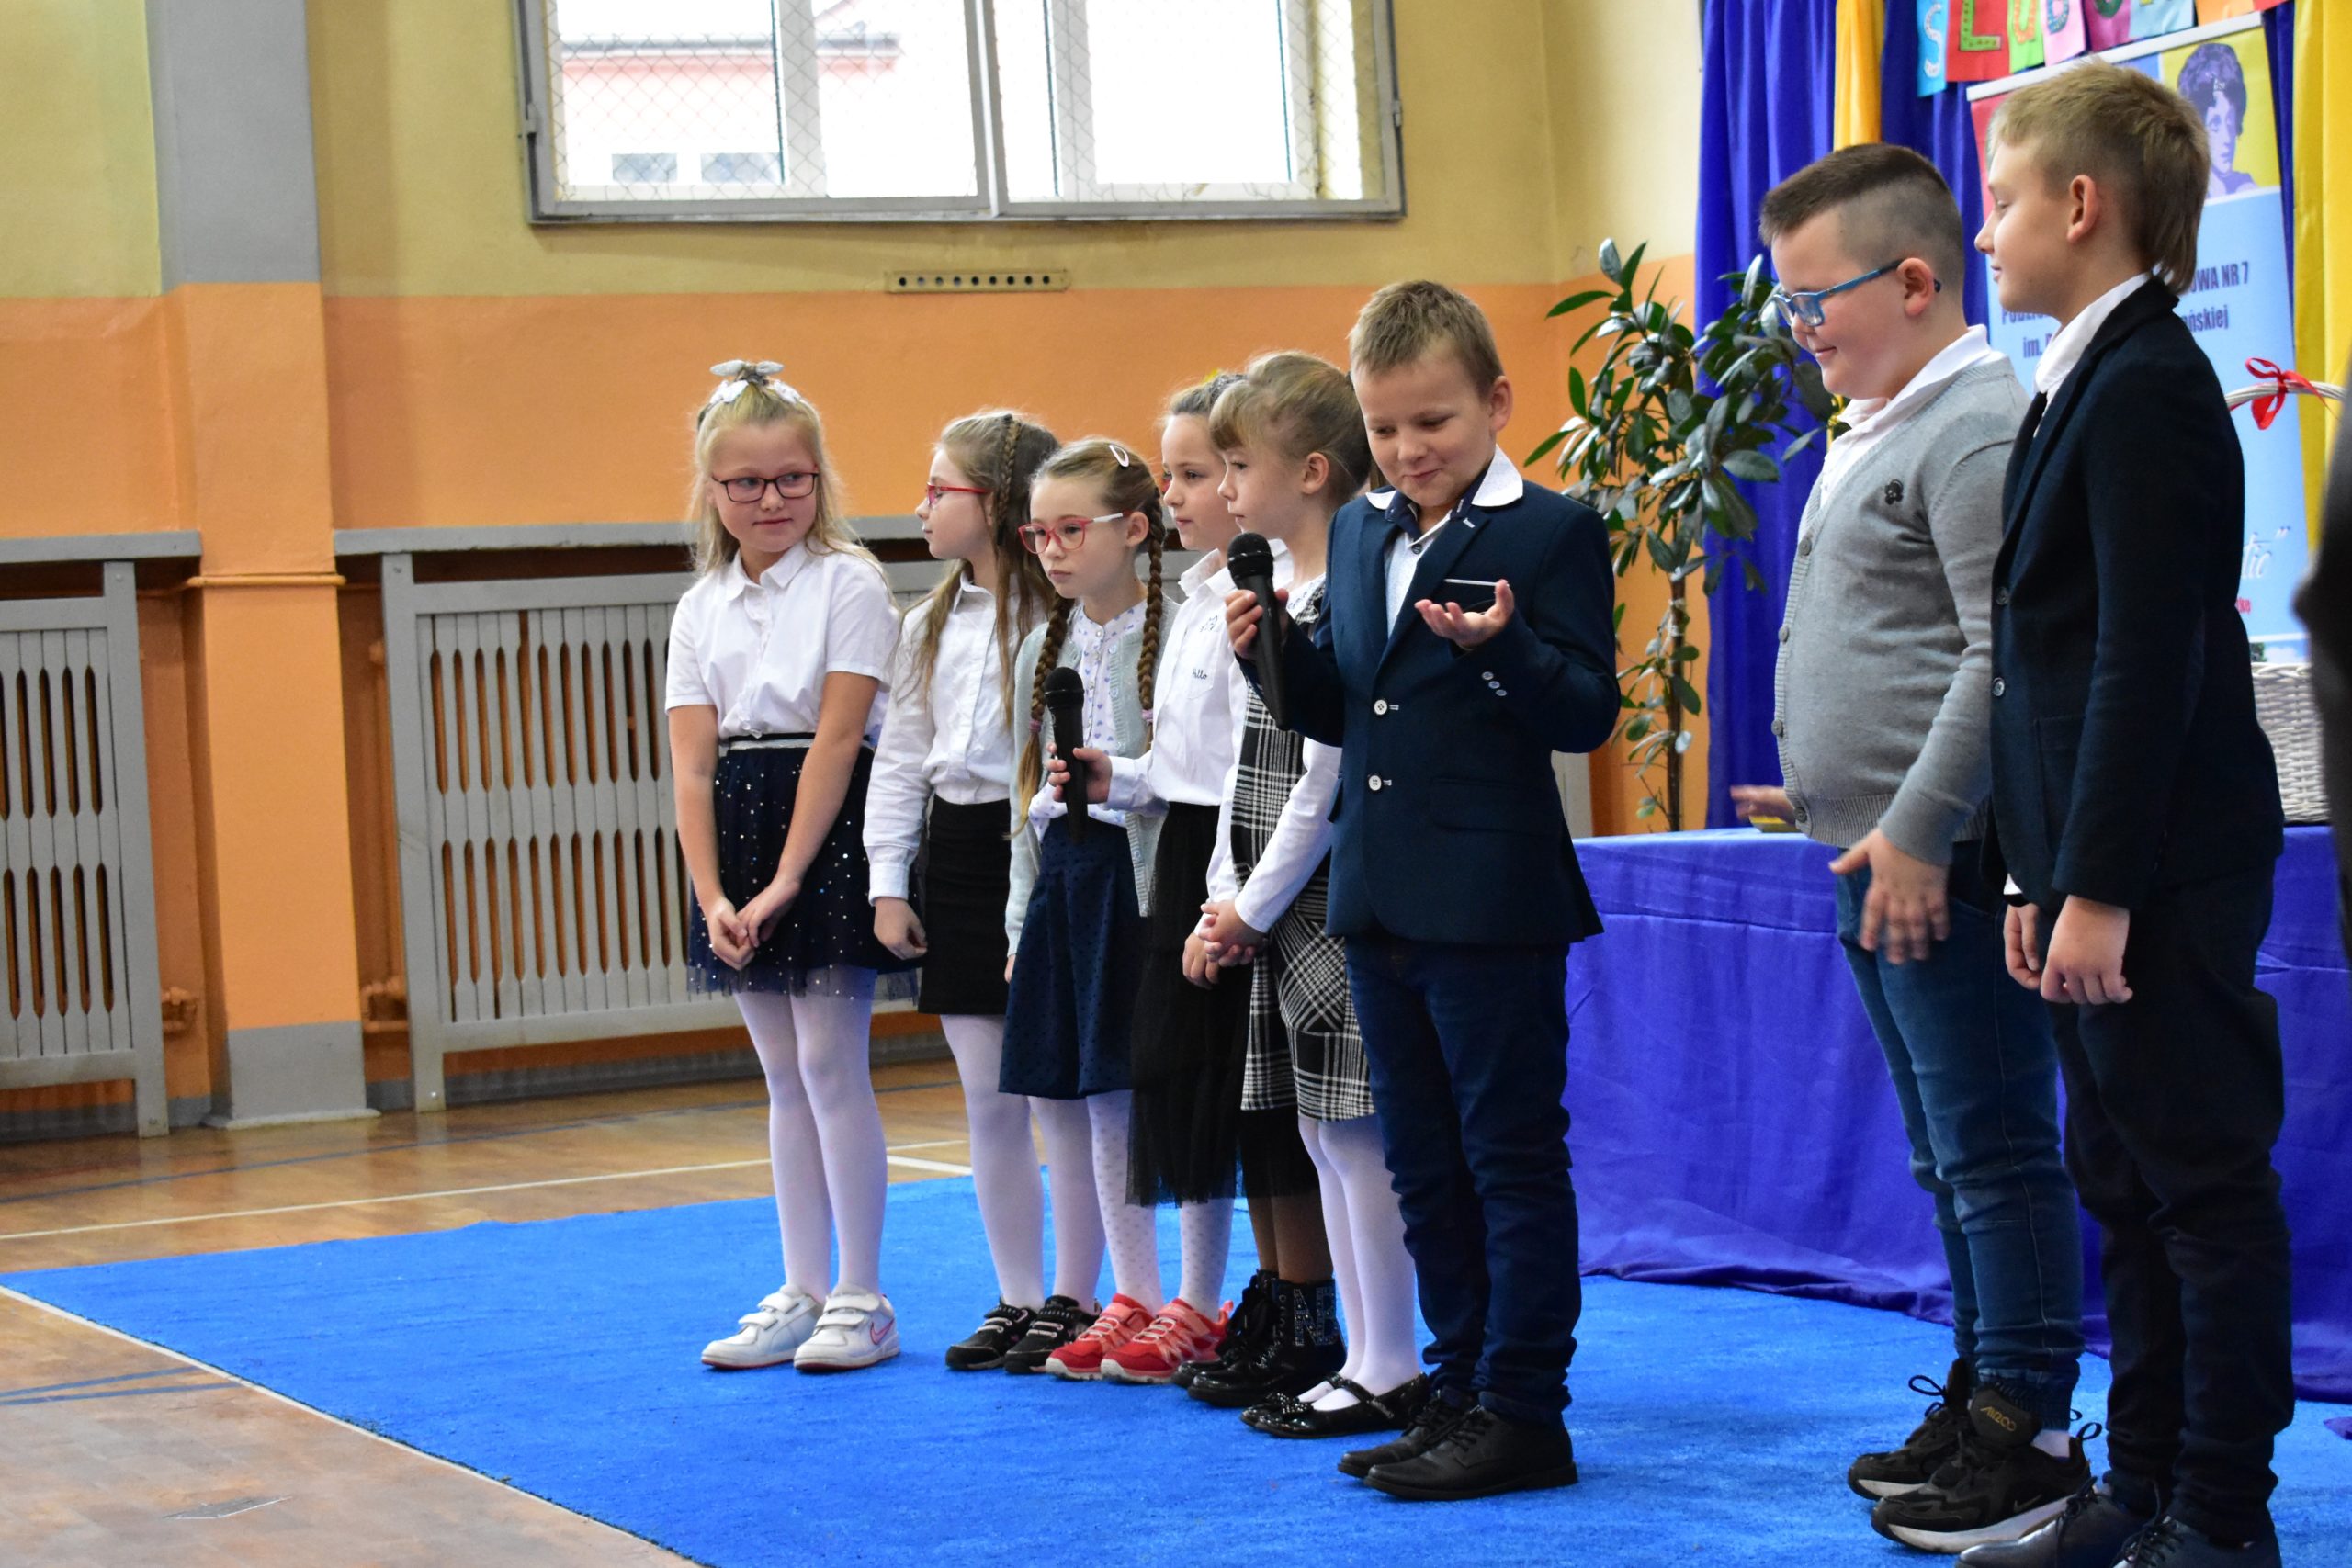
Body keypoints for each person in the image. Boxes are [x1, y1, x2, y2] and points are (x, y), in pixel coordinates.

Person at [1735, 144, 2089, 1554]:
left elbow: (2000, 656)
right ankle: (1984, 1385)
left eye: (1813, 300)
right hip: (1872, 852)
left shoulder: (1975, 427)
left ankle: (2032, 1423)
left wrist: (1921, 820)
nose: (1798, 329)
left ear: (1918, 282)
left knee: (1995, 1148)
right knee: (1948, 1154)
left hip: (1944, 856)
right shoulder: (1875, 422)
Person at [1962, 61, 2291, 1568]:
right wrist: (2029, 874)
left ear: (2082, 205)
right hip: (2089, 866)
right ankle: (2143, 1488)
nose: (1986, 232)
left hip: (2162, 867)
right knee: (2123, 1182)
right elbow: (2042, 665)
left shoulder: (2149, 382)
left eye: (2003, 201)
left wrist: (2097, 884)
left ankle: (2222, 1513)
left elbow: (2146, 663)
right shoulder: (2082, 375)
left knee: (2199, 1185)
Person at [1227, 282, 1616, 1500]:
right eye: (1385, 428)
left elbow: (1586, 711)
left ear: (1497, 402)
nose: (1408, 449)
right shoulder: (1358, 531)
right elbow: (1347, 705)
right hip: (1379, 895)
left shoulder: (1550, 530)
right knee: (1422, 1164)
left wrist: (1505, 649)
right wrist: (1271, 655)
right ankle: (1453, 1388)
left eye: (1433, 422)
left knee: (1509, 1160)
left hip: (1493, 898)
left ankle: (1524, 1409)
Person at [667, 359, 917, 1374]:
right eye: (747, 483)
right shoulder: (702, 604)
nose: (771, 500)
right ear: (713, 491)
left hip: (824, 818)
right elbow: (691, 763)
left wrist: (784, 882)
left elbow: (840, 736)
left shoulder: (848, 581)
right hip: (737, 820)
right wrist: (713, 892)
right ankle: (802, 1285)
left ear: (820, 479)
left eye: (792, 479)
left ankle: (862, 1293)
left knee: (829, 1064)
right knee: (781, 1073)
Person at [1195, 351, 1427, 1440]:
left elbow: (1323, 781)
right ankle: (1364, 1354)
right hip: (1276, 903)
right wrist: (1227, 894)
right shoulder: (1276, 595)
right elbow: (1244, 768)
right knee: (1322, 1137)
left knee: (1356, 1133)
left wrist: (1252, 903)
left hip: (1326, 896)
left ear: (1314, 472)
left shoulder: (1347, 595)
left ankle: (1391, 1359)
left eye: (1240, 466)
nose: (1226, 488)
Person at [865, 410, 1104, 1371]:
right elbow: (900, 761)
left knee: (1061, 1096)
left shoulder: (1064, 620)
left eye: (939, 490)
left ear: (997, 503)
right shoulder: (926, 622)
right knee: (987, 1098)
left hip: (1045, 845)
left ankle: (1078, 1294)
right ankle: (1016, 1295)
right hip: (960, 852)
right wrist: (889, 881)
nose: (921, 507)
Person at [995, 437, 1182, 1380]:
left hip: (1149, 878)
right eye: (1038, 534)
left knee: (1169, 1089)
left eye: (1071, 529)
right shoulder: (1042, 647)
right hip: (1069, 880)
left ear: (1135, 528)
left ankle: (1194, 1301)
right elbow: (1024, 791)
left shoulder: (1180, 630)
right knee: (1101, 1094)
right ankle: (1133, 1293)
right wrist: (1018, 920)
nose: (1053, 550)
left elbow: (1191, 775)